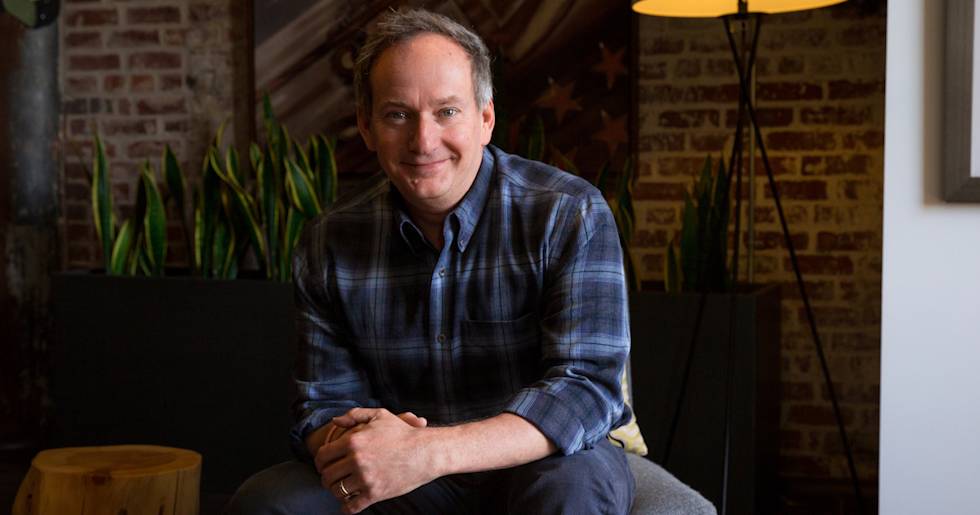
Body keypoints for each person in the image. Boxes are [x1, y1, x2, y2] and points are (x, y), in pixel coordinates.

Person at [227, 8, 634, 514]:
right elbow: (322, 404)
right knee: (269, 503)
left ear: (485, 119)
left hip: (542, 462)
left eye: (447, 112)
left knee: (570, 488)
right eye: (398, 114)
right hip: (406, 481)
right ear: (367, 127)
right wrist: (369, 446)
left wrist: (428, 451)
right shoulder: (329, 241)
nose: (423, 142)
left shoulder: (568, 213)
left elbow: (585, 390)